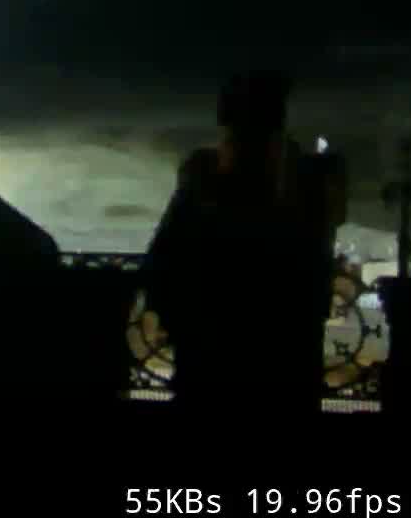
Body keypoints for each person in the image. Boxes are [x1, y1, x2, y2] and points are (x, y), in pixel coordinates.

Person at [144, 70, 345, 408]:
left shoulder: (204, 176)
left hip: (214, 350)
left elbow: (165, 253)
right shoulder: (308, 177)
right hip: (279, 354)